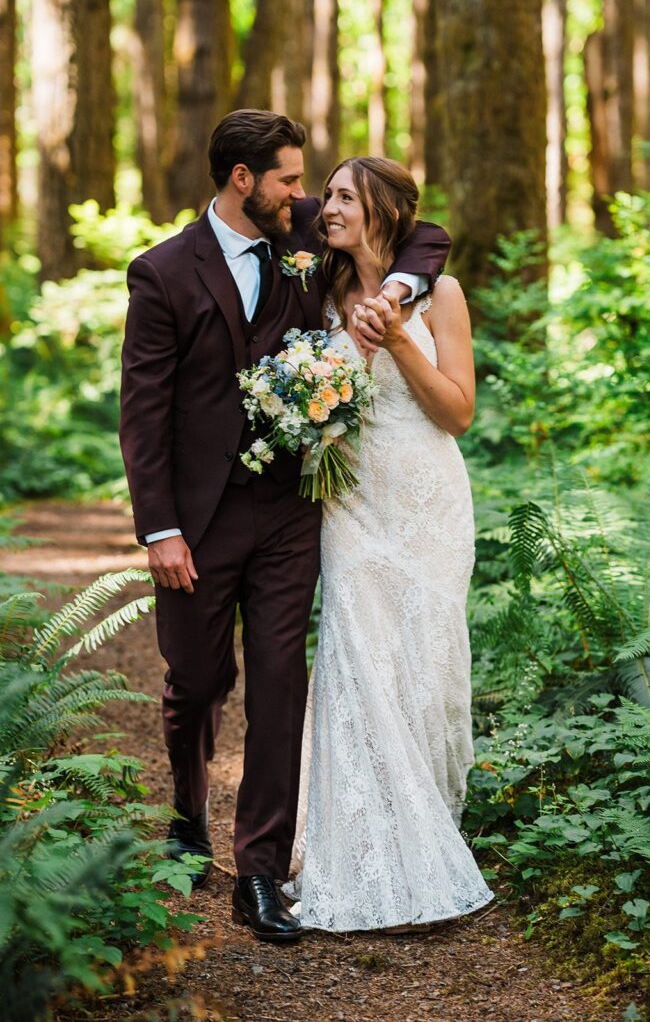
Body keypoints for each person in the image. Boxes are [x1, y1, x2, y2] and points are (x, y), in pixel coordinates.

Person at [119, 111, 450, 943]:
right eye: (289, 180)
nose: (304, 195)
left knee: (278, 680)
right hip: (200, 519)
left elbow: (426, 231)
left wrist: (400, 292)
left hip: (294, 507)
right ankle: (188, 813)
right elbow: (144, 411)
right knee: (196, 681)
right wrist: (159, 528)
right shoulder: (162, 273)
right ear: (243, 180)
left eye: (306, 184)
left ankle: (260, 870)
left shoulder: (303, 230)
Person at [285, 157, 494, 932]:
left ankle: (422, 831)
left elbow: (458, 414)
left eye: (344, 196)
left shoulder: (437, 291)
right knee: (356, 656)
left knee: (422, 662)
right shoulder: (316, 287)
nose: (327, 206)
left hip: (429, 501)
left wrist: (399, 337)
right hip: (350, 503)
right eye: (327, 193)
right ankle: (358, 846)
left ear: (380, 210)